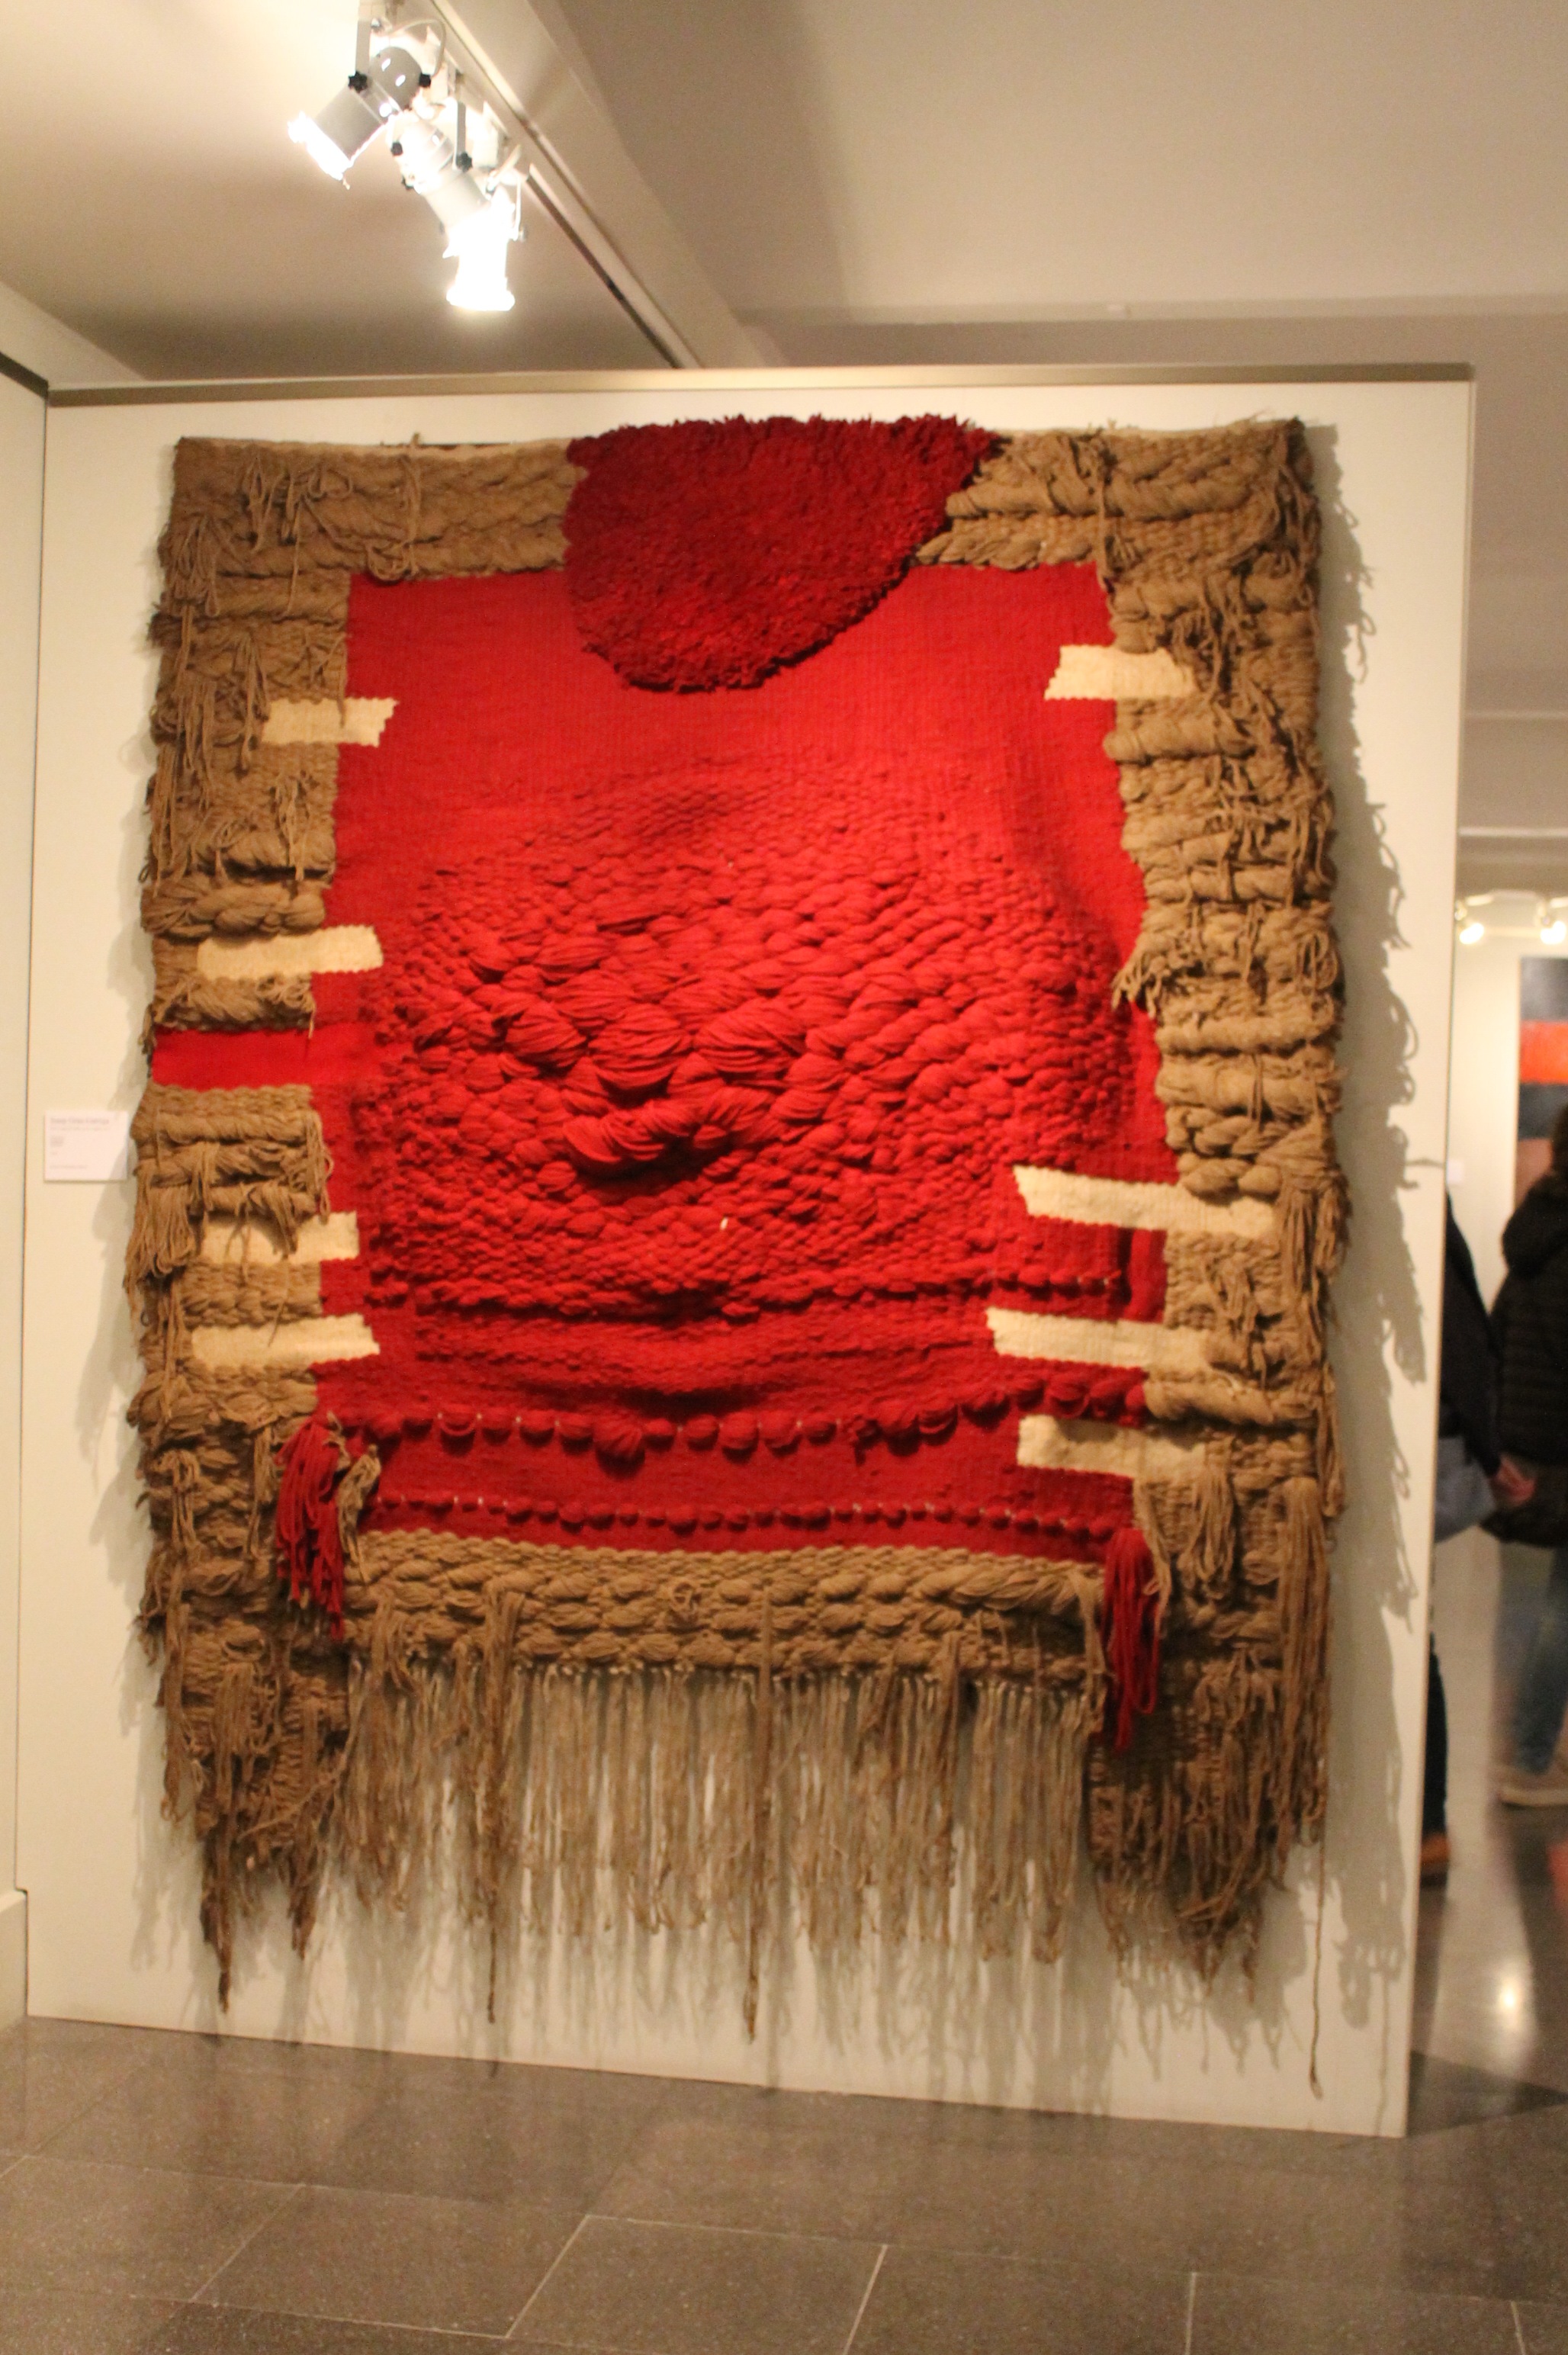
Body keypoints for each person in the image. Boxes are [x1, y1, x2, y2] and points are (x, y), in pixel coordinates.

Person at [1425, 1201, 1534, 1876]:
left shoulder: (1528, 1246)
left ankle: (1430, 1821)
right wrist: (1491, 1454)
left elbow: (1482, 1341)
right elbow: (1470, 1352)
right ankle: (1431, 1824)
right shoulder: (1434, 1227)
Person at [1492, 1103, 1568, 1805]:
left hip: (1534, 1449)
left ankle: (1537, 1751)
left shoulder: (1536, 1236)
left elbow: (1500, 1335)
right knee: (1562, 1608)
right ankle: (1532, 1758)